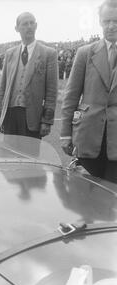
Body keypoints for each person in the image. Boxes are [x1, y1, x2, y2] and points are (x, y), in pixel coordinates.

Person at [61, 0, 117, 184]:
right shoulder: (85, 53)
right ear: (100, 21)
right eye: (107, 21)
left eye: (116, 20)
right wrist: (66, 134)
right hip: (87, 136)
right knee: (84, 195)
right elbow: (71, 96)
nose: (111, 26)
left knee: (112, 198)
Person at [0, 12, 58, 140]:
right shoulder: (10, 54)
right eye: (25, 24)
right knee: (9, 157)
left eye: (32, 23)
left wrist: (47, 120)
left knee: (30, 158)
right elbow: (3, 88)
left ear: (36, 26)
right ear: (17, 28)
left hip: (32, 117)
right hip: (10, 115)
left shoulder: (49, 54)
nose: (29, 26)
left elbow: (52, 91)